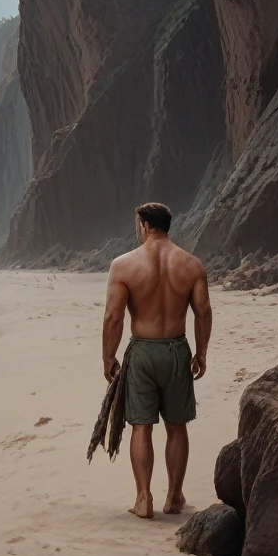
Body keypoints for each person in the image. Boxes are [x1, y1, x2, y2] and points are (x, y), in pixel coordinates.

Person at [101, 202, 212, 519]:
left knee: (141, 426)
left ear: (143, 225)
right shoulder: (191, 265)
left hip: (143, 353)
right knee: (177, 427)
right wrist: (201, 352)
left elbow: (113, 317)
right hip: (177, 351)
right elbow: (203, 312)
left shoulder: (123, 266)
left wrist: (108, 356)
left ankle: (143, 498)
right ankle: (174, 497)